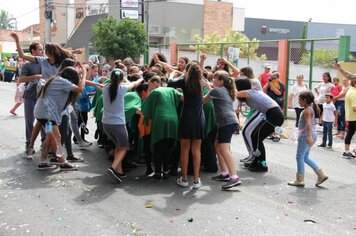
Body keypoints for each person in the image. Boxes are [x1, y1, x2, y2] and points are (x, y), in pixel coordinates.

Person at [35, 67, 85, 170]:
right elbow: (79, 89)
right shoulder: (62, 81)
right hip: (47, 115)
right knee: (57, 137)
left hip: (44, 114)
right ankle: (62, 163)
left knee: (49, 137)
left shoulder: (56, 79)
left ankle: (43, 161)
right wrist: (84, 74)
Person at [103, 69, 144, 183]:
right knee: (124, 147)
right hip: (118, 124)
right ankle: (112, 168)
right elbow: (133, 84)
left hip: (106, 123)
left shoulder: (106, 87)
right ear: (121, 79)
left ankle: (119, 171)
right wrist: (141, 78)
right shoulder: (122, 89)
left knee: (118, 146)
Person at [236, 78, 284, 172]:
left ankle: (262, 164)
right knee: (255, 136)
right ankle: (258, 161)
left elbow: (234, 93)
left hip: (274, 115)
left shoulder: (249, 92)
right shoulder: (250, 92)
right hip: (271, 114)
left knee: (256, 137)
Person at [203, 70, 241, 189]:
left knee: (224, 149)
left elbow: (203, 100)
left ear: (221, 81)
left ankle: (234, 177)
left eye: (214, 79)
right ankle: (224, 173)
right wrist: (207, 84)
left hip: (226, 122)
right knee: (217, 145)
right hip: (228, 121)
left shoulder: (217, 90)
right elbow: (213, 90)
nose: (212, 80)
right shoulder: (224, 90)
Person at [173, 62, 205, 189]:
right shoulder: (201, 82)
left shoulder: (183, 82)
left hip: (186, 118)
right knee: (196, 150)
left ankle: (184, 178)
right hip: (199, 118)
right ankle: (197, 180)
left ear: (187, 71)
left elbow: (170, 82)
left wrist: (173, 73)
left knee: (184, 149)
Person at [288, 91, 328, 187]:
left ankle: (300, 180)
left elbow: (309, 124)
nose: (299, 102)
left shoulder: (307, 111)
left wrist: (309, 136)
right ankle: (321, 175)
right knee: (305, 157)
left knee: (299, 156)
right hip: (309, 135)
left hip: (306, 135)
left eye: (300, 100)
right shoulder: (310, 109)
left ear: (305, 100)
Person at [18, 42, 45, 158]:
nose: (42, 52)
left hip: (43, 97)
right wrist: (35, 77)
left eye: (42, 50)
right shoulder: (27, 65)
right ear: (33, 51)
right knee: (30, 121)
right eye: (39, 50)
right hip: (30, 97)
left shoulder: (45, 62)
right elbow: (21, 79)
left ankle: (45, 142)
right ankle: (29, 144)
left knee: (45, 121)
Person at [263, 71, 285, 142]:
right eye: (272, 77)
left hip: (278, 104)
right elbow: (263, 89)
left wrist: (272, 86)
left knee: (277, 120)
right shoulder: (270, 83)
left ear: (278, 78)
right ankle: (272, 134)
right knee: (270, 119)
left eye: (274, 77)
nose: (273, 79)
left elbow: (278, 93)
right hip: (269, 103)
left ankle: (277, 134)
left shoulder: (281, 84)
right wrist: (268, 83)